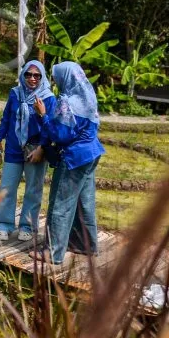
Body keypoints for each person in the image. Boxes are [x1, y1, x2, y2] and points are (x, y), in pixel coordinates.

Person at [35, 61, 104, 264]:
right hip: (91, 153)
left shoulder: (67, 103)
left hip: (74, 157)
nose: (54, 80)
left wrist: (43, 116)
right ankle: (85, 245)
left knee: (60, 203)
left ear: (66, 77)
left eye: (56, 77)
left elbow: (61, 135)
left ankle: (53, 252)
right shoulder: (88, 97)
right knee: (84, 202)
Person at [0, 61, 56, 242]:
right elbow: (6, 118)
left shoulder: (48, 98)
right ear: (23, 75)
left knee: (33, 190)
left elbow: (50, 127)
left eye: (37, 75)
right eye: (28, 74)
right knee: (7, 187)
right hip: (13, 146)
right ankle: (3, 224)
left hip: (35, 149)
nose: (32, 78)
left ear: (42, 77)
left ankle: (27, 226)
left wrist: (42, 148)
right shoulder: (15, 93)